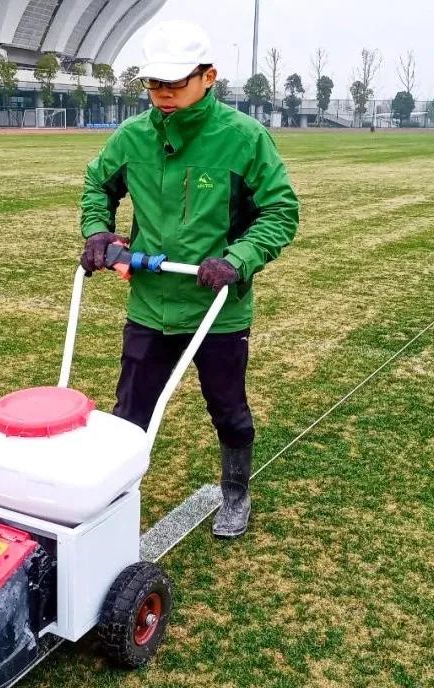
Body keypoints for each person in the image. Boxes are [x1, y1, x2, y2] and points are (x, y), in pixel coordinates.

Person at [79, 20, 299, 539]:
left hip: (217, 309)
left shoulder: (244, 139)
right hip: (150, 305)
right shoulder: (132, 138)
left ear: (208, 77)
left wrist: (239, 257)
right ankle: (109, 509)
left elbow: (280, 211)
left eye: (175, 84)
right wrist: (98, 232)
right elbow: (97, 185)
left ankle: (236, 492)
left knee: (227, 407)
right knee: (128, 413)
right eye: (155, 85)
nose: (163, 95)